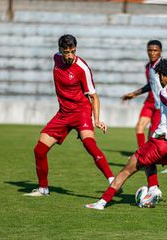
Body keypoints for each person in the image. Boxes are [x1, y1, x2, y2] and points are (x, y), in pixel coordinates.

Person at [85, 58, 167, 210]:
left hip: (163, 143)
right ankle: (153, 189)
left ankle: (101, 203)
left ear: (163, 75)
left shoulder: (166, 90)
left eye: (160, 76)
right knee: (149, 161)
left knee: (127, 169)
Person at [24, 34, 115, 196]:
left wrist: (97, 119)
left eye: (73, 51)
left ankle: (113, 181)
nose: (70, 55)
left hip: (81, 111)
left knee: (89, 144)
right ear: (60, 50)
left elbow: (93, 96)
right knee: (39, 150)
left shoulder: (82, 68)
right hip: (63, 114)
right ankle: (43, 189)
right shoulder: (56, 59)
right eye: (66, 52)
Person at [121, 40, 167, 177]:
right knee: (139, 127)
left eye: (155, 50)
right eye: (150, 50)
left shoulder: (163, 67)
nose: (152, 53)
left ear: (160, 51)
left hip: (162, 106)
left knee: (153, 138)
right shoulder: (149, 66)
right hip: (152, 102)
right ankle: (142, 157)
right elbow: (151, 84)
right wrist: (134, 94)